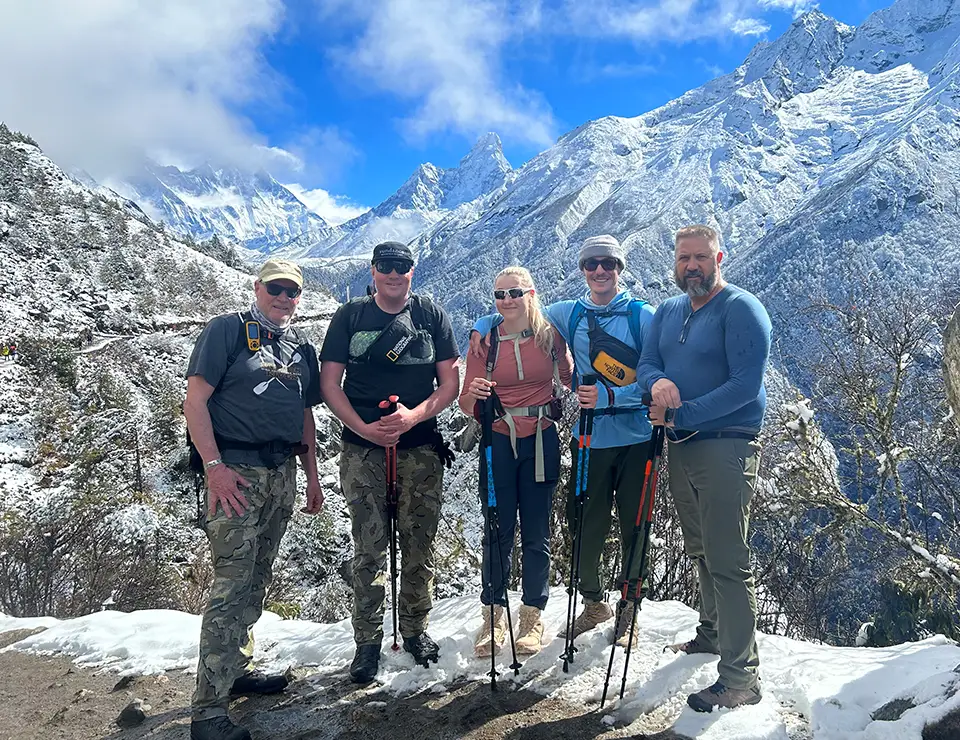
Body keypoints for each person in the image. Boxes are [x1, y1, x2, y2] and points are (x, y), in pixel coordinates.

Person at [470, 235, 655, 647]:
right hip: (586, 438)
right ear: (582, 269)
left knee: (634, 526)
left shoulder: (644, 317)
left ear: (620, 268)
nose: (599, 271)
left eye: (607, 263)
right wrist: (480, 325)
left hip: (635, 435)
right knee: (583, 527)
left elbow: (656, 374)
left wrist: (612, 395)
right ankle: (593, 602)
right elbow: (510, 313)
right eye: (591, 264)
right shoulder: (569, 313)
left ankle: (629, 609)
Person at [184, 258, 324, 740]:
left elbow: (305, 415)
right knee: (231, 583)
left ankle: (234, 670)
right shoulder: (225, 331)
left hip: (281, 471)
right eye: (276, 289)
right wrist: (214, 467)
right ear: (257, 287)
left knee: (258, 577)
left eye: (293, 292)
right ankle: (207, 712)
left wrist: (311, 476)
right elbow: (195, 401)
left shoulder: (300, 347)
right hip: (236, 474)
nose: (284, 298)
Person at [637, 224, 771, 712]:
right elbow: (647, 363)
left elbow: (745, 386)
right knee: (699, 548)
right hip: (682, 447)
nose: (690, 266)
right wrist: (657, 385)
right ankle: (712, 634)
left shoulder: (741, 308)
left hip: (726, 447)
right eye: (682, 258)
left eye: (700, 257)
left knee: (728, 561)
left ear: (719, 257)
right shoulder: (669, 311)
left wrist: (680, 412)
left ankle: (741, 678)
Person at [320, 241, 460, 684]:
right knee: (369, 547)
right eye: (386, 266)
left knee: (419, 544)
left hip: (420, 449)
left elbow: (450, 383)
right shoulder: (350, 316)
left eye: (402, 266)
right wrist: (365, 429)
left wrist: (414, 416)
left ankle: (416, 630)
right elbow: (329, 384)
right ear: (374, 270)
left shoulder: (431, 316)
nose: (394, 273)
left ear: (412, 271)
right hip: (363, 453)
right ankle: (367, 641)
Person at [460, 266, 573, 657]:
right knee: (497, 527)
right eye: (499, 294)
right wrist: (474, 396)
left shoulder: (551, 334)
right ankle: (492, 614)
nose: (507, 300)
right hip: (498, 440)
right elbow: (464, 401)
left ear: (531, 293)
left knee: (537, 530)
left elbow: (571, 377)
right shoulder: (485, 341)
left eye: (515, 292)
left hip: (541, 439)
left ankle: (531, 615)